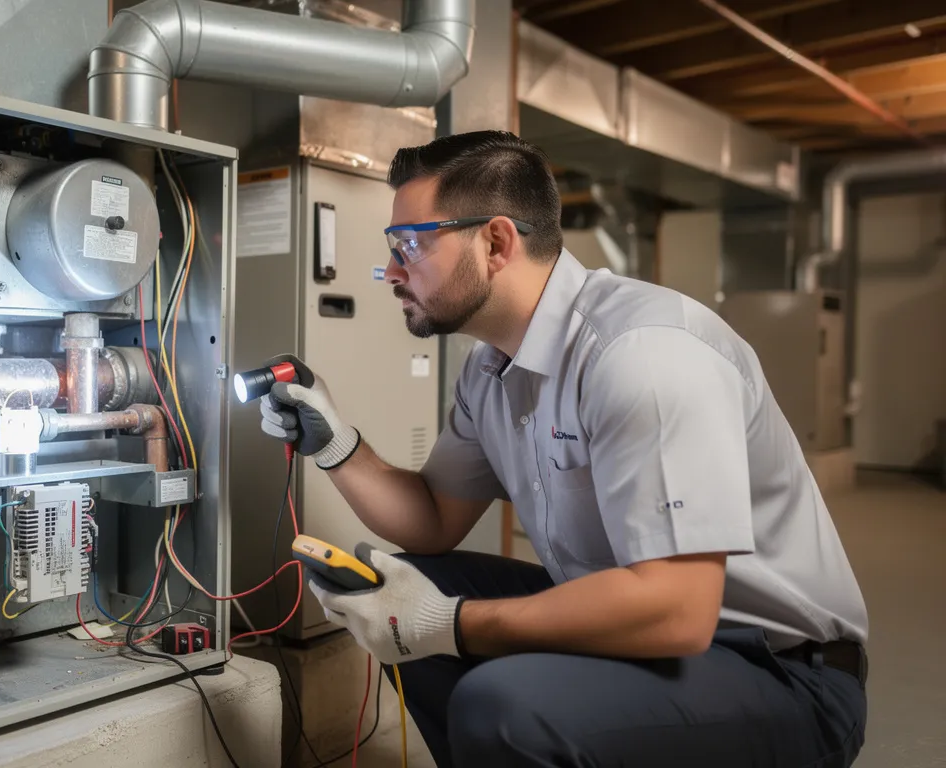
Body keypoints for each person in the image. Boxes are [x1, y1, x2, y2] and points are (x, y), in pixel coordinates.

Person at [257, 130, 869, 768]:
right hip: (647, 634)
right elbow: (433, 520)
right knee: (406, 582)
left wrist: (453, 623)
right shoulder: (491, 369)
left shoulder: (642, 355)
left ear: (496, 241)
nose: (392, 270)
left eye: (411, 244)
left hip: (777, 670)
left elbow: (678, 612)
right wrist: (335, 443)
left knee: (503, 705)